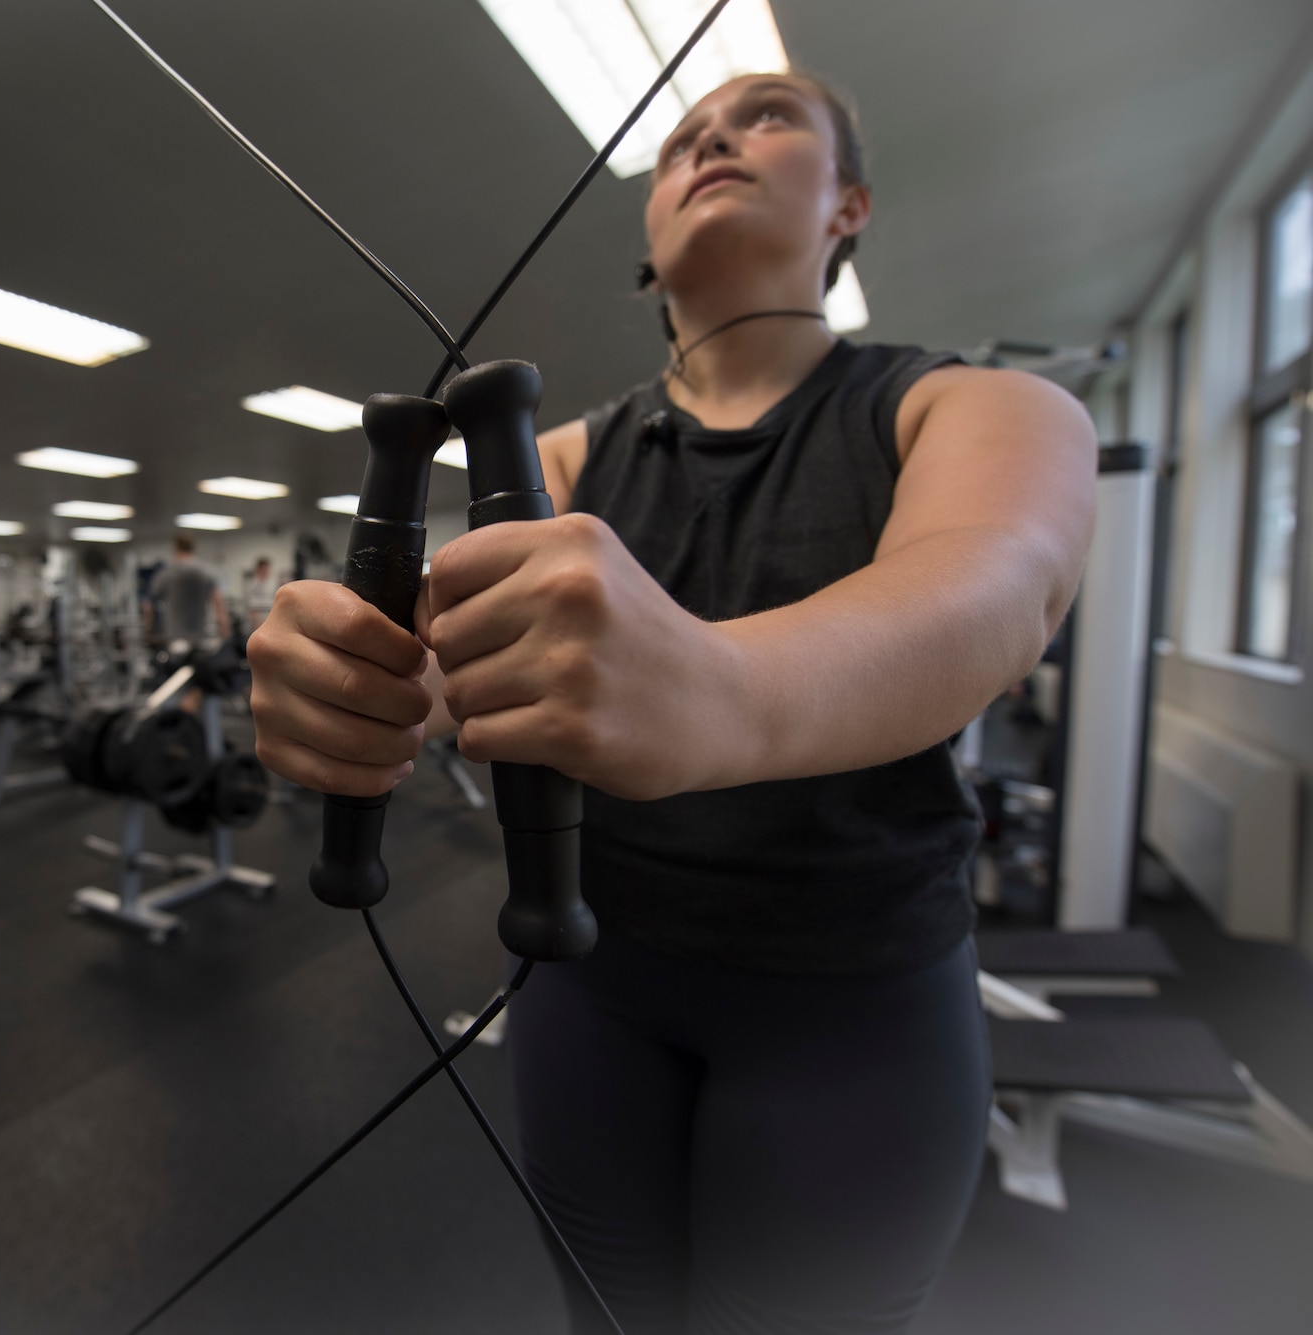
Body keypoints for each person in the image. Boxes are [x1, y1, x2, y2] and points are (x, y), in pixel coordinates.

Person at [248, 71, 1095, 1333]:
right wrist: (348, 685)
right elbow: (437, 665)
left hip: (857, 1007)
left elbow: (990, 596)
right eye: (680, 142)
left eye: (762, 119)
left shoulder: (970, 408)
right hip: (589, 982)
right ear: (648, 246)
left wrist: (720, 687)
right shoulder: (550, 463)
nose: (709, 141)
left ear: (847, 204)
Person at [145, 533, 230, 647]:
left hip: (174, 638)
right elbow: (219, 604)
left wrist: (148, 630)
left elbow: (148, 605)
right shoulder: (207, 571)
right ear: (193, 548)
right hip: (201, 638)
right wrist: (225, 631)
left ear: (176, 548)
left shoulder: (166, 573)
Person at [243, 555, 280, 629]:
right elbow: (251, 607)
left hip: (270, 622)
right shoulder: (251, 584)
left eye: (267, 569)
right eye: (264, 569)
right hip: (255, 624)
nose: (266, 572)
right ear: (258, 569)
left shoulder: (272, 584)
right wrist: (259, 626)